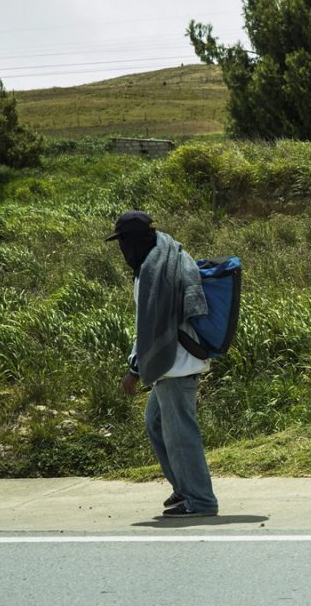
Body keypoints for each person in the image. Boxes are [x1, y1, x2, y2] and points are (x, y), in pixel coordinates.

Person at [108, 210, 219, 518]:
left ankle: (200, 501)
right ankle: (184, 489)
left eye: (124, 242)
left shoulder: (152, 271)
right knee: (155, 423)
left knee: (180, 434)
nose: (122, 249)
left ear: (135, 242)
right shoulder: (170, 254)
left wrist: (134, 370)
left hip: (174, 365)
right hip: (179, 361)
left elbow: (149, 327)